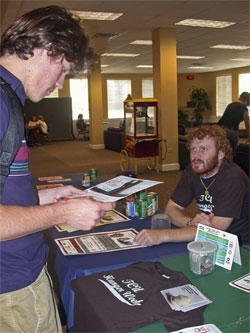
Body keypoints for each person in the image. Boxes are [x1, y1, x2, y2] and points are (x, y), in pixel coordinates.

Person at [0, 6, 114, 332]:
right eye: (63, 69)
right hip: (11, 287)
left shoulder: (8, 99)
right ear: (46, 49)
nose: (61, 83)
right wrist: (62, 215)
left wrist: (47, 196)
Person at [135, 125, 249, 247]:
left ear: (220, 154)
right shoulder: (193, 170)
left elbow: (214, 231)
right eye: (193, 149)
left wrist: (162, 235)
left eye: (204, 149)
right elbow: (171, 209)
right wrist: (191, 222)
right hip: (213, 237)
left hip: (242, 243)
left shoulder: (232, 178)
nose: (196, 156)